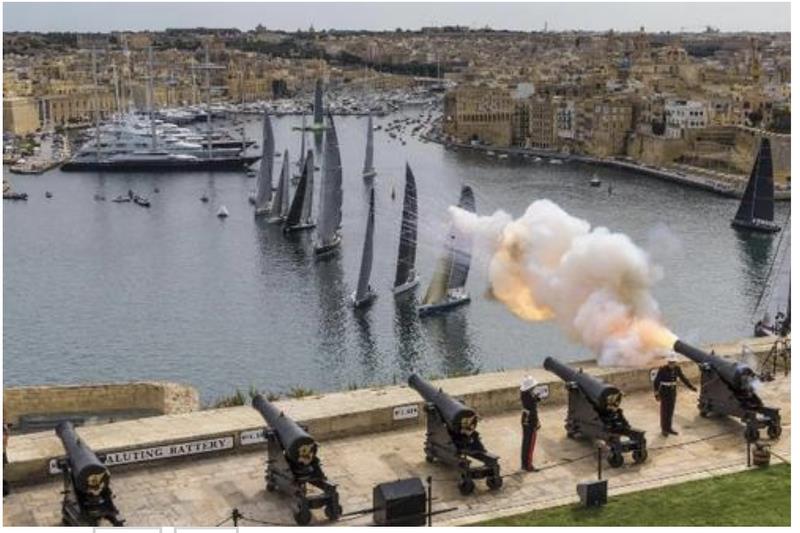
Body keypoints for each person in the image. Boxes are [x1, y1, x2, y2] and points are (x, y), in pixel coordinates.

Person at [653, 355, 697, 437]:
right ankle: (664, 429)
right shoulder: (662, 369)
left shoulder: (677, 368)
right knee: (664, 411)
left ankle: (669, 428)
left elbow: (683, 378)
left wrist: (691, 387)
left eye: (673, 362)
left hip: (672, 392)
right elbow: (656, 382)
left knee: (670, 411)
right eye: (670, 362)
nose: (672, 364)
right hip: (664, 392)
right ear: (668, 362)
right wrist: (656, 394)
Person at [520, 376, 541, 472]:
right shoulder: (530, 397)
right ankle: (528, 465)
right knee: (530, 444)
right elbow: (534, 411)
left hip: (524, 418)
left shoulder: (524, 394)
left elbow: (531, 401)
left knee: (525, 442)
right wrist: (537, 423)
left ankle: (524, 464)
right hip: (530, 420)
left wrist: (536, 399)